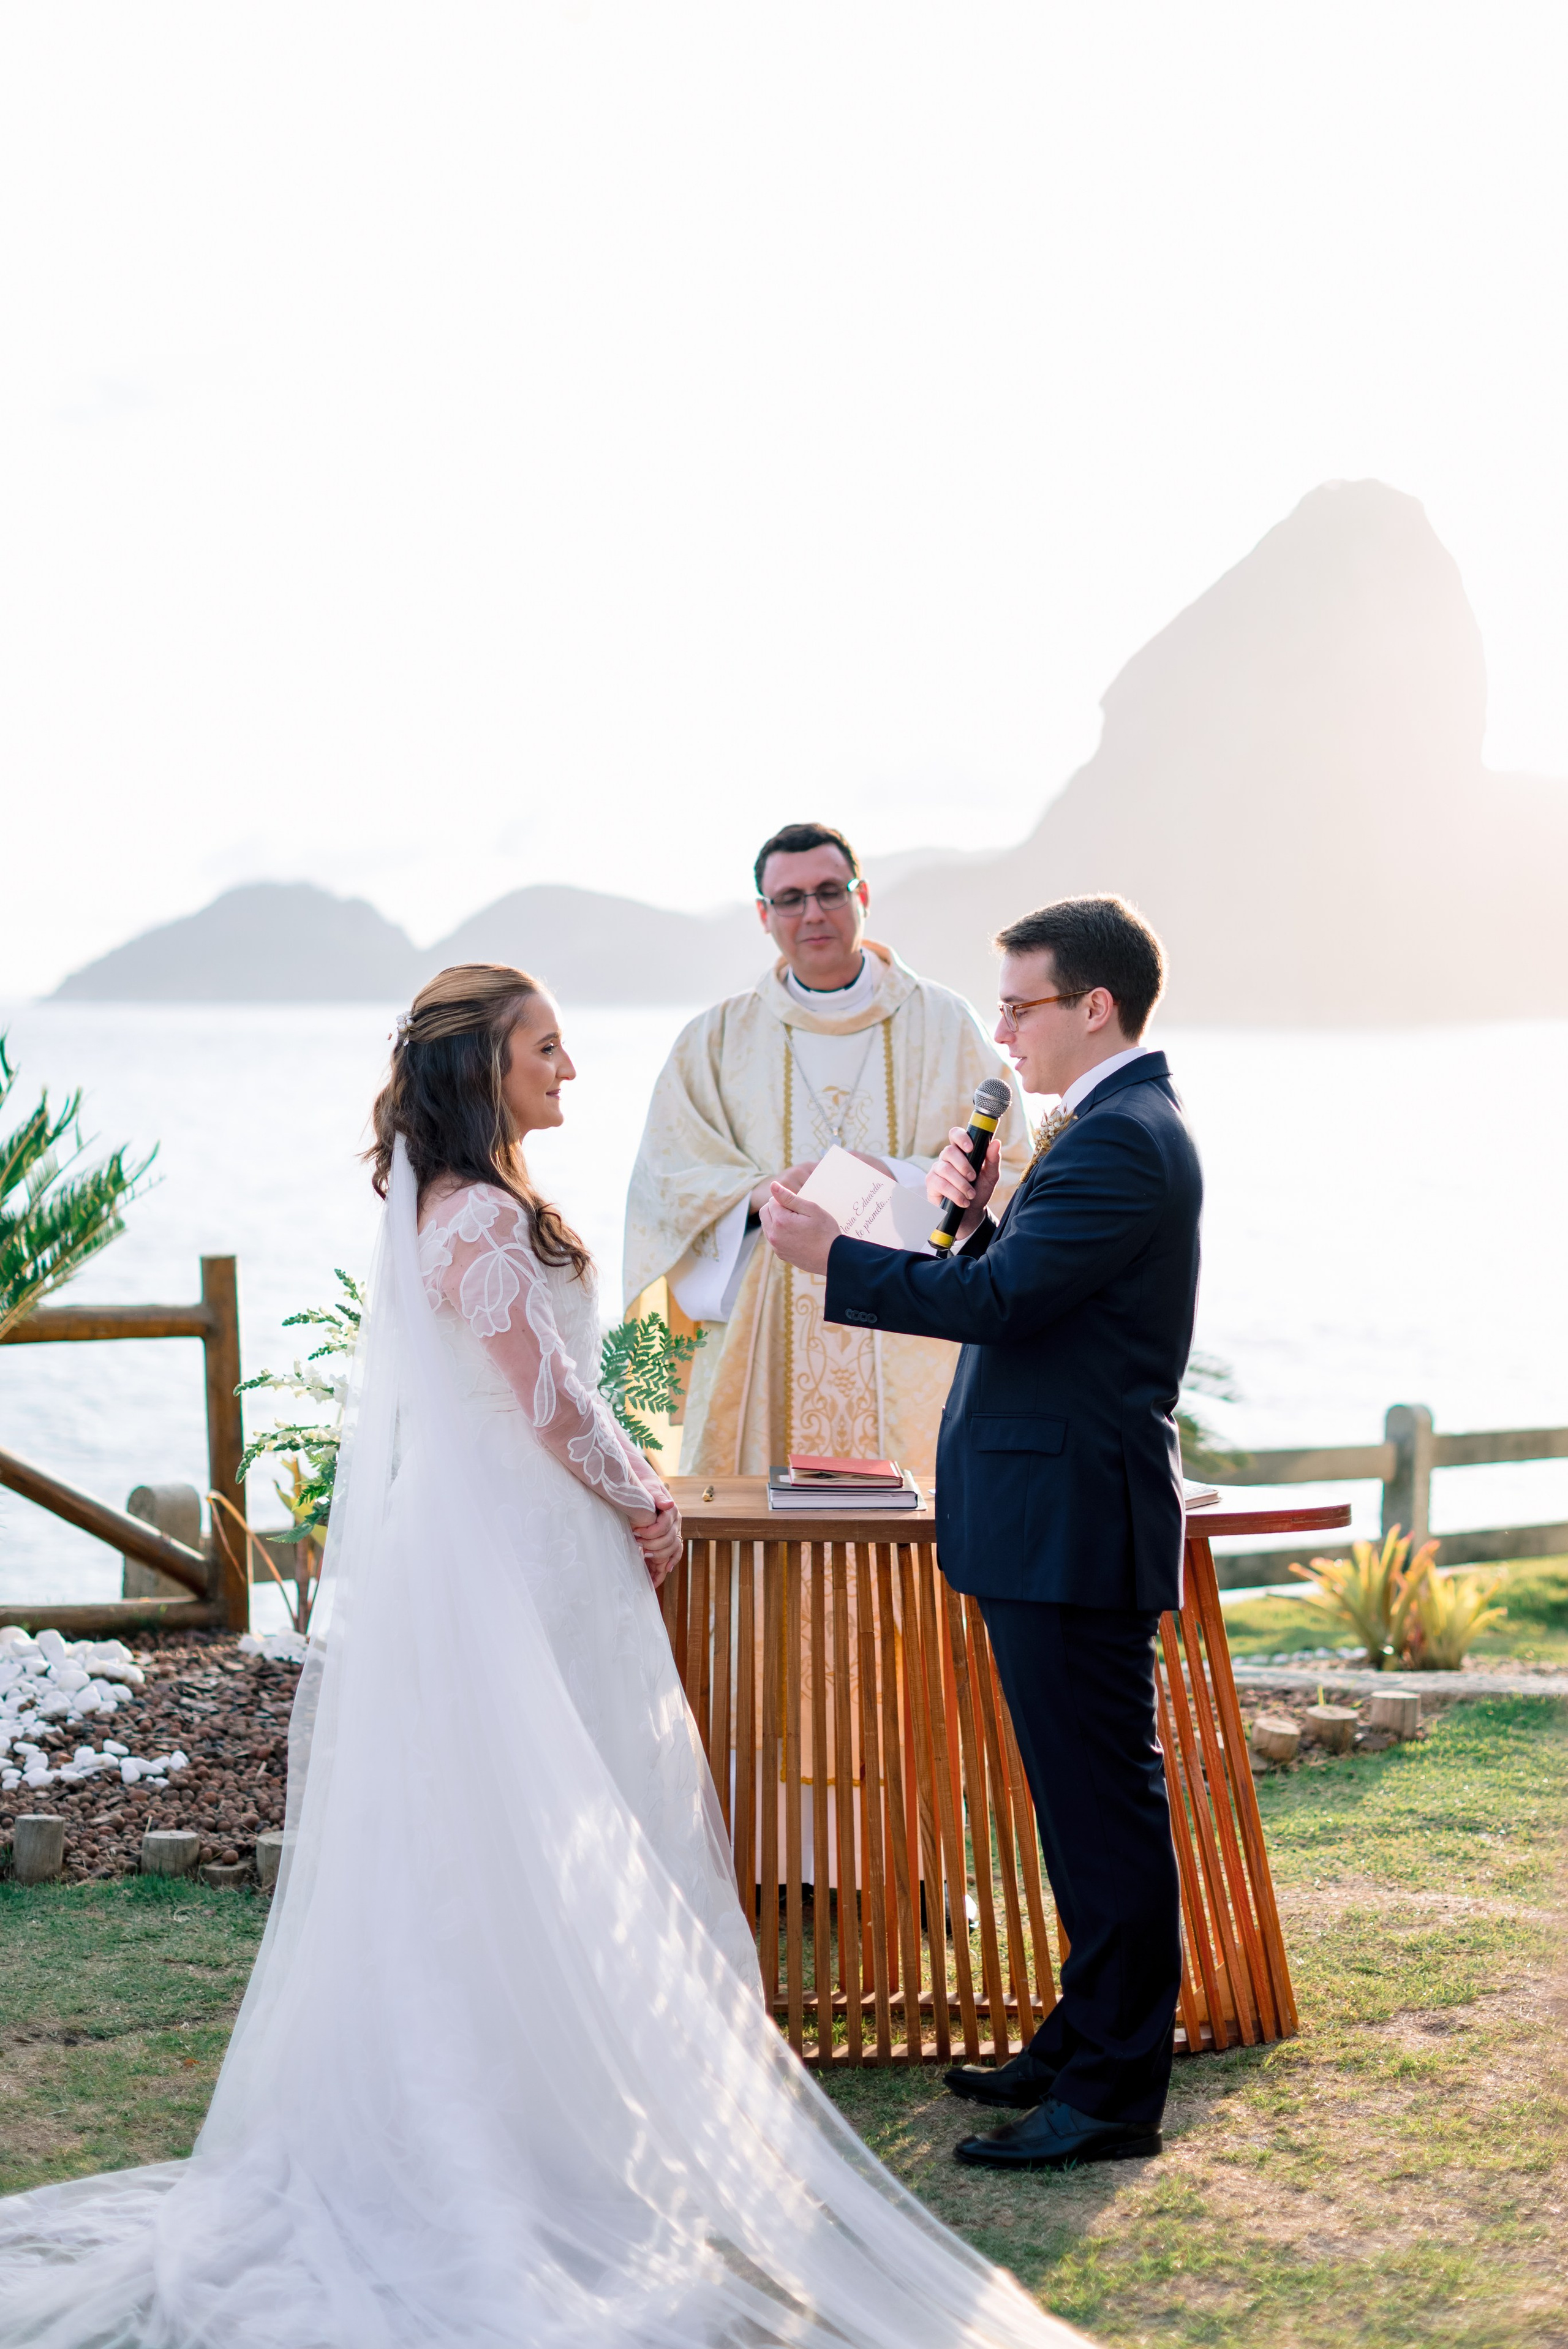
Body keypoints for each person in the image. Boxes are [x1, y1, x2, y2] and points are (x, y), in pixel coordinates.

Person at [0, 961, 1081, 2349]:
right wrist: (644, 1497)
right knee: (537, 1806)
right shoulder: (480, 1215)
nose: (568, 1068)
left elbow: (556, 1383)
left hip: (498, 1535)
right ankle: (516, 2116)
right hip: (524, 1540)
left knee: (520, 1816)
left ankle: (545, 2089)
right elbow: (549, 1397)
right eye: (545, 1048)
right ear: (483, 1068)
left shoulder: (460, 1205)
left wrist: (628, 1473)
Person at [762, 896, 1200, 2173]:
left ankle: (1112, 2092)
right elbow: (1035, 1291)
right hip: (1050, 1512)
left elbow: (1001, 1306)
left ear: (1094, 1007)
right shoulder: (1104, 1130)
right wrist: (987, 1209)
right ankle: (1081, 2036)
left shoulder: (1123, 1139)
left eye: (1019, 1006)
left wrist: (835, 1258)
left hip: (1072, 1517)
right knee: (1075, 1805)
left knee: (1102, 1810)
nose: (1001, 1033)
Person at [624, 822, 1028, 1484]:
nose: (812, 912)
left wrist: (894, 1176)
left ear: (861, 896)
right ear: (764, 914)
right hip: (765, 1320)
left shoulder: (946, 1023)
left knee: (918, 1509)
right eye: (790, 898)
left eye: (829, 891)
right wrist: (761, 1194)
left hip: (908, 1324)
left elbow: (1011, 1169)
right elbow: (663, 1182)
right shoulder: (717, 1038)